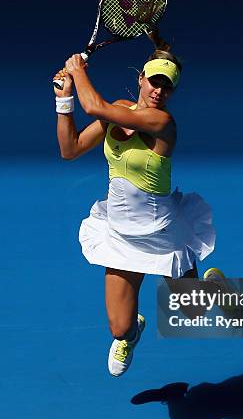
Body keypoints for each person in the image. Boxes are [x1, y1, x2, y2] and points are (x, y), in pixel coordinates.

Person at [54, 31, 216, 377]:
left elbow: (94, 106)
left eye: (167, 86)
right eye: (154, 82)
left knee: (194, 312)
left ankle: (208, 285)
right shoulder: (118, 111)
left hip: (162, 231)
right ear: (140, 79)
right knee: (119, 328)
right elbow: (70, 150)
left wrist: (77, 70)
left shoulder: (163, 123)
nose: (159, 91)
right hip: (121, 233)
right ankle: (133, 334)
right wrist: (64, 101)